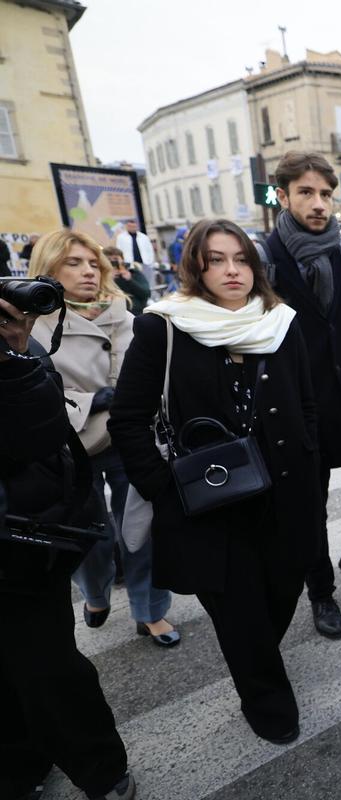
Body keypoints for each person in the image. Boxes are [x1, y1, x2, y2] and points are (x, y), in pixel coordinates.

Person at [109, 218, 322, 744]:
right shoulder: (165, 326)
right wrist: (165, 488)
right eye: (216, 260)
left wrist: (310, 465)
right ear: (195, 268)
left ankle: (258, 661)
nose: (232, 270)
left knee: (281, 594)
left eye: (241, 258)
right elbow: (128, 420)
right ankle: (265, 696)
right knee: (238, 612)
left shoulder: (280, 321)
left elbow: (307, 403)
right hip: (209, 509)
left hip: (284, 494)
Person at [0, 293, 136, 800]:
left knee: (49, 668)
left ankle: (102, 769)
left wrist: (13, 351)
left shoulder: (18, 350)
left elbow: (43, 428)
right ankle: (19, 768)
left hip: (21, 540)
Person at [27, 230, 178, 647]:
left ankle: (150, 611)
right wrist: (92, 399)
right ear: (49, 268)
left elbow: (152, 376)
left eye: (93, 263)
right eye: (74, 263)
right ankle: (95, 594)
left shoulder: (125, 315)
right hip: (71, 444)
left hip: (131, 437)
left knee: (142, 529)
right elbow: (32, 391)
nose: (88, 271)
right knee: (91, 536)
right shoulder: (33, 324)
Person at [265, 151, 341, 639]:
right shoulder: (264, 260)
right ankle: (321, 592)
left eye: (326, 194)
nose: (319, 204)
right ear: (283, 196)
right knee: (310, 506)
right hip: (297, 404)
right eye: (306, 192)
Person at [103, 247, 152, 315]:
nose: (112, 262)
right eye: (108, 259)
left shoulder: (133, 273)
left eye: (115, 259)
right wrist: (108, 279)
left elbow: (146, 293)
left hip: (137, 312)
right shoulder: (102, 277)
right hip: (114, 314)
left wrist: (130, 280)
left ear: (122, 259)